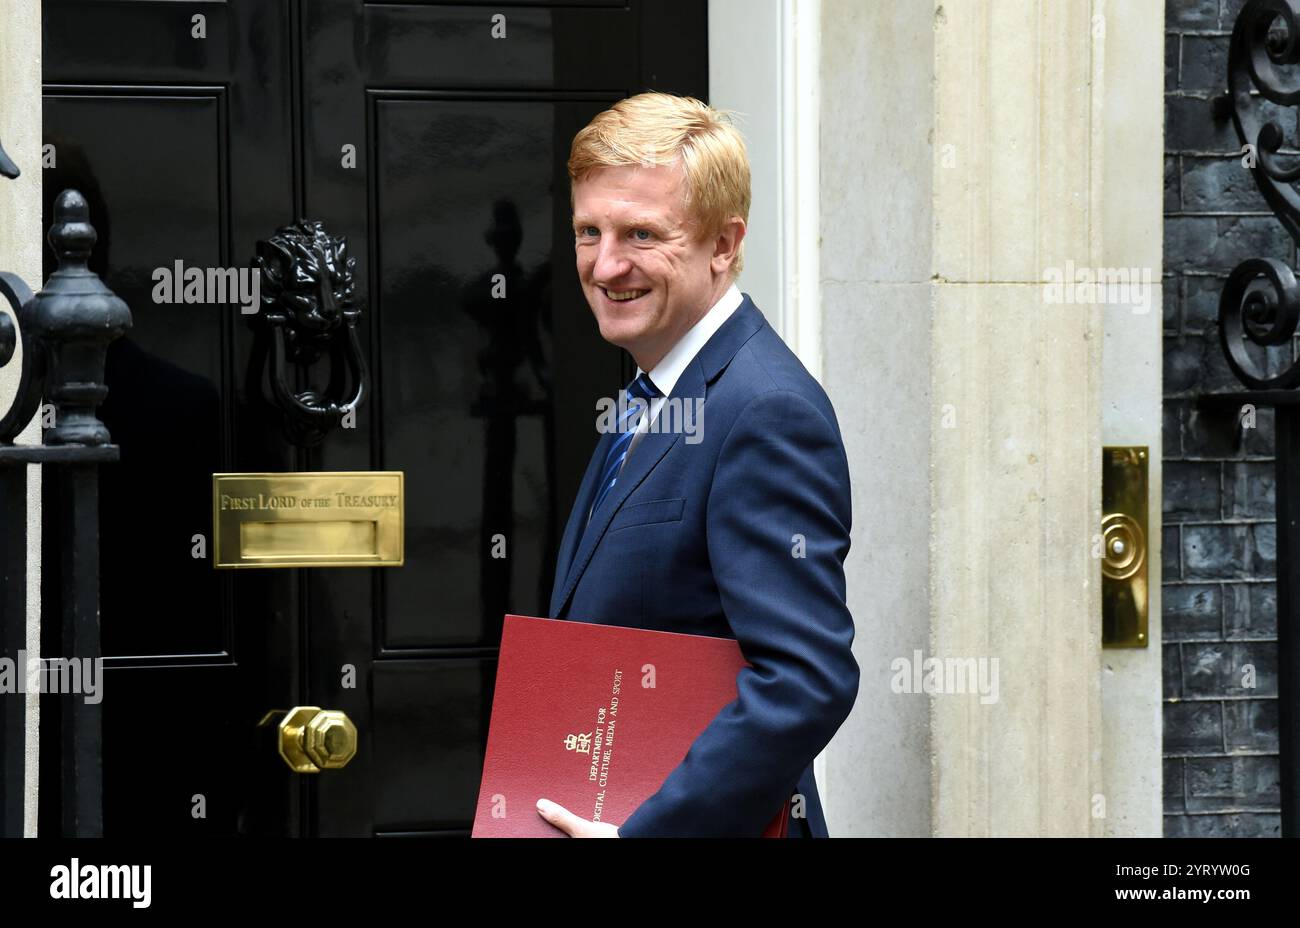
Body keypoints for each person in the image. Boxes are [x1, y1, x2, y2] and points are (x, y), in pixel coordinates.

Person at [536, 92, 859, 838]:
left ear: (723, 243)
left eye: (642, 233)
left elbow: (809, 679)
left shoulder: (766, 411)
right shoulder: (653, 387)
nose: (605, 264)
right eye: (590, 231)